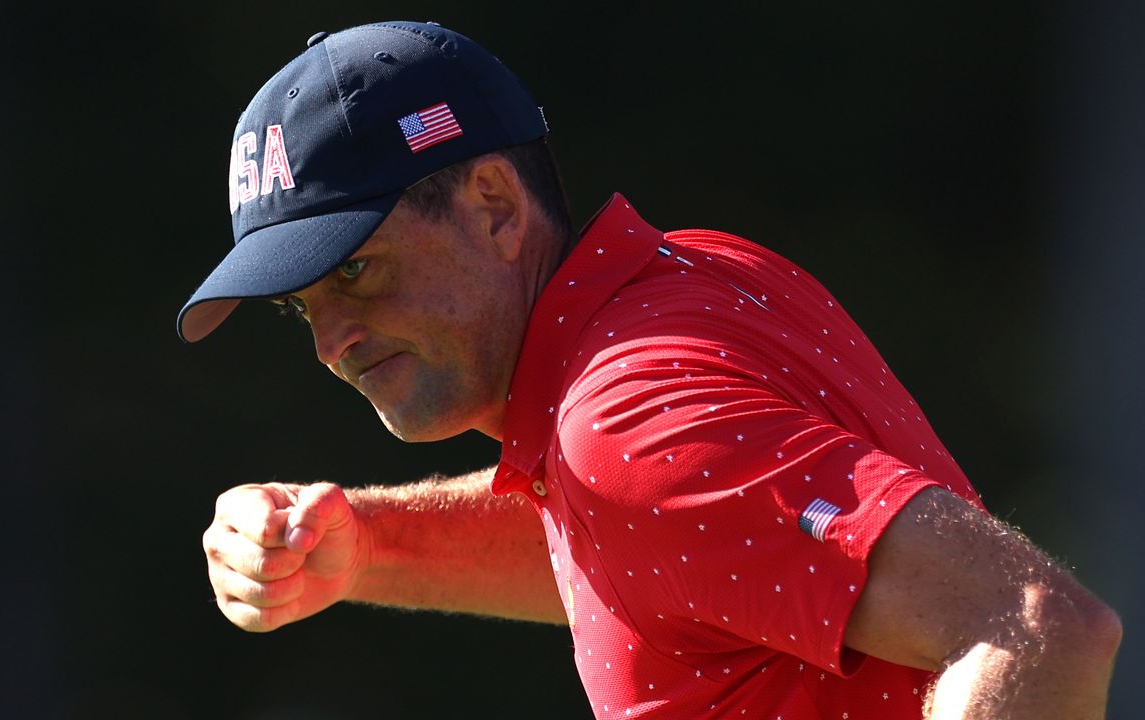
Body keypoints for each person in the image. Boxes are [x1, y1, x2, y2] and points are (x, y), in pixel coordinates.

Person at [182, 20, 1121, 719]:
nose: (332, 341)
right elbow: (678, 554)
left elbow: (1035, 627)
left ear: (495, 206)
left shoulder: (626, 420)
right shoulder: (690, 275)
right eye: (302, 305)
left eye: (356, 269)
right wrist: (368, 545)